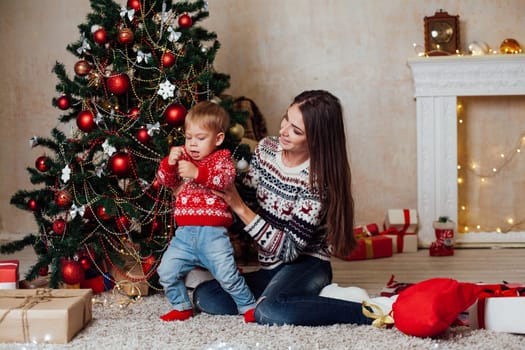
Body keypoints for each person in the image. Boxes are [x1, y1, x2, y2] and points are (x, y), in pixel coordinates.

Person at [192, 90, 375, 326]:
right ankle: (299, 299)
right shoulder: (266, 149)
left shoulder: (316, 181)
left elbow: (289, 251)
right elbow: (245, 202)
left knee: (270, 311)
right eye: (286, 118)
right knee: (205, 295)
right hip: (269, 268)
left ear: (316, 139)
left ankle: (364, 312)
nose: (283, 131)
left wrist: (239, 208)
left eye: (296, 131)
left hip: (307, 266)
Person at [156, 101, 256, 322]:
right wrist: (169, 163)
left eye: (200, 138)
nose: (193, 144)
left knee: (228, 276)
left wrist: (196, 172)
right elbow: (165, 181)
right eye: (189, 137)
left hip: (212, 236)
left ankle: (248, 306)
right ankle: (181, 305)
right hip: (183, 236)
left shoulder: (221, 160)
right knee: (166, 272)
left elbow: (225, 179)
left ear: (217, 139)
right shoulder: (184, 158)